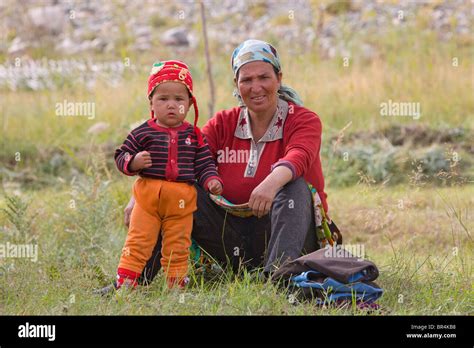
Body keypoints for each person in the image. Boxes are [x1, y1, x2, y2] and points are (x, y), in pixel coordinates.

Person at [96, 39, 336, 295]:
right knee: (173, 191)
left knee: (294, 187)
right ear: (237, 84)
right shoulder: (224, 123)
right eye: (246, 80)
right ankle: (133, 281)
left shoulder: (303, 119)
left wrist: (270, 183)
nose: (256, 87)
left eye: (264, 77)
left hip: (291, 241)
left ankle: (279, 279)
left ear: (279, 78)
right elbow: (182, 159)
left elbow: (299, 155)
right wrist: (141, 195)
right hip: (235, 243)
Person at [113, 60, 223, 290]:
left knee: (178, 244)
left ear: (190, 104)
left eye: (179, 99)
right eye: (163, 99)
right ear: (151, 102)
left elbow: (203, 163)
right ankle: (126, 283)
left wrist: (211, 179)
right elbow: (121, 155)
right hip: (147, 201)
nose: (171, 106)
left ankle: (176, 286)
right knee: (139, 240)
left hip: (181, 204)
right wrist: (133, 163)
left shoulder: (194, 135)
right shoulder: (143, 132)